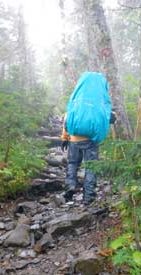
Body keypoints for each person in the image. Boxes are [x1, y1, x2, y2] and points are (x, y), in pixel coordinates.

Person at [60, 72, 116, 205]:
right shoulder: (99, 100)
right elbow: (107, 116)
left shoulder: (77, 98)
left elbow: (67, 117)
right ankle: (88, 197)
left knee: (73, 164)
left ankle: (70, 186)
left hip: (74, 139)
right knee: (91, 167)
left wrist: (64, 137)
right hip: (91, 140)